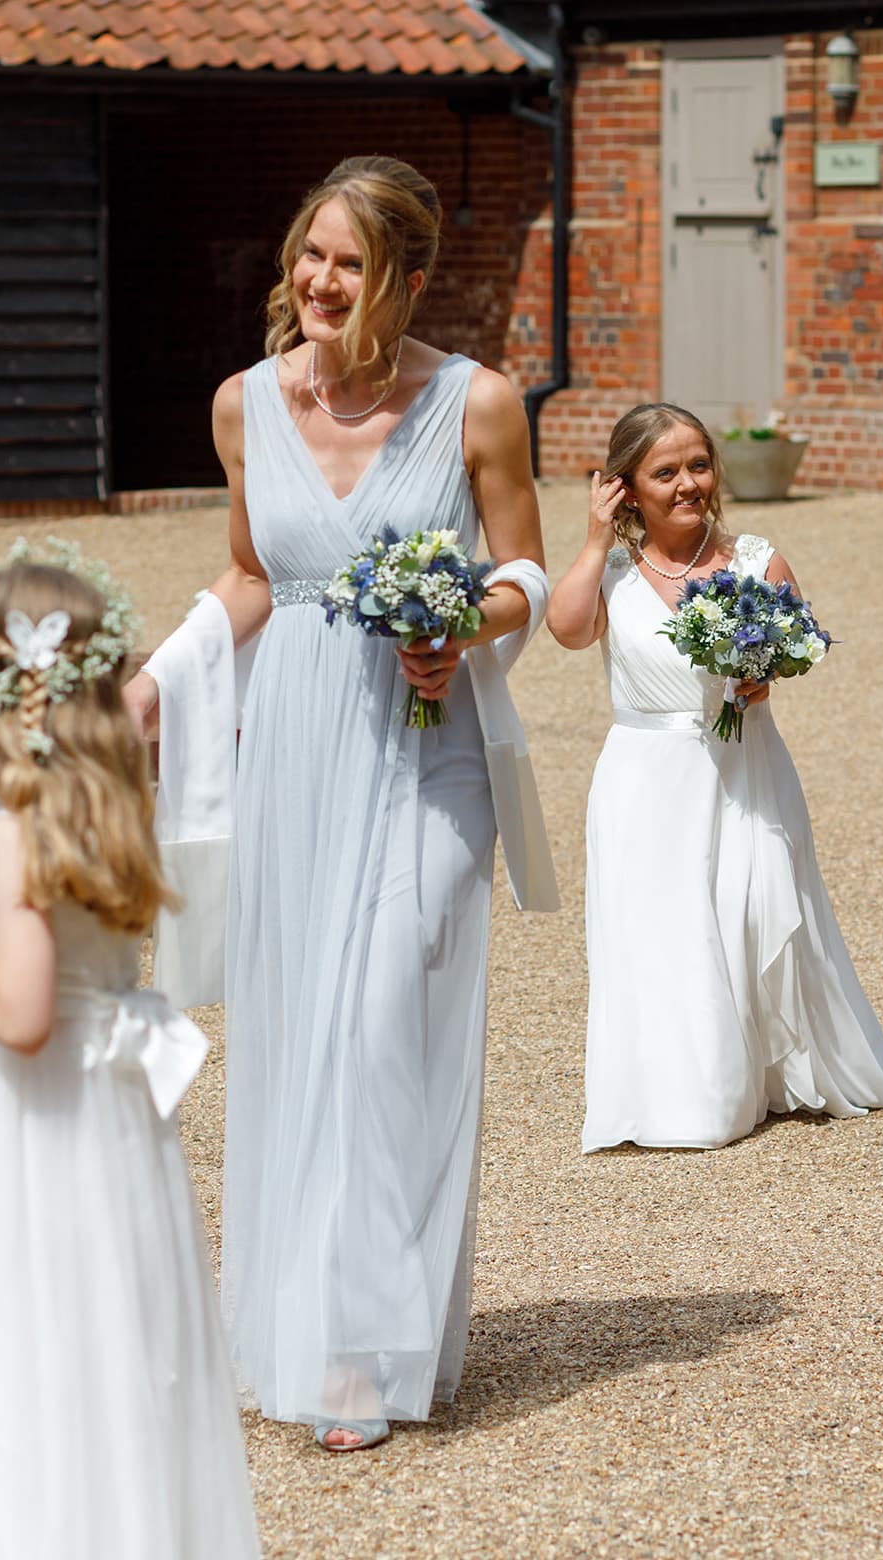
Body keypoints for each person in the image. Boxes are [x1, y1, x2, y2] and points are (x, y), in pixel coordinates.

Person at [204, 155, 551, 1453]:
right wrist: (154, 681)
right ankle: (339, 1338)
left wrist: (468, 621)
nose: (320, 281)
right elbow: (250, 575)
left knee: (386, 1018)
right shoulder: (245, 407)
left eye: (350, 263)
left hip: (429, 751)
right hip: (296, 749)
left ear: (404, 280)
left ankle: (371, 1329)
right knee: (308, 1032)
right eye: (310, 255)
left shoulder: (479, 406)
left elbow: (520, 568)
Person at [0, 545, 259, 1558]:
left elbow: (26, 1012)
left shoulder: (14, 834)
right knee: (113, 1342)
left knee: (24, 1338)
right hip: (114, 1117)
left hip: (32, 1113)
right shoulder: (113, 809)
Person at [548, 403, 883, 1150]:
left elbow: (800, 643)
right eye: (665, 471)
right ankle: (690, 1094)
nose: (687, 484)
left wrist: (767, 675)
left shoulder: (754, 558)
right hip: (645, 778)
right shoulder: (612, 571)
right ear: (626, 487)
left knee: (750, 910)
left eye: (698, 465)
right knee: (665, 932)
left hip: (743, 765)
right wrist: (592, 538)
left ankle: (771, 1071)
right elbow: (568, 629)